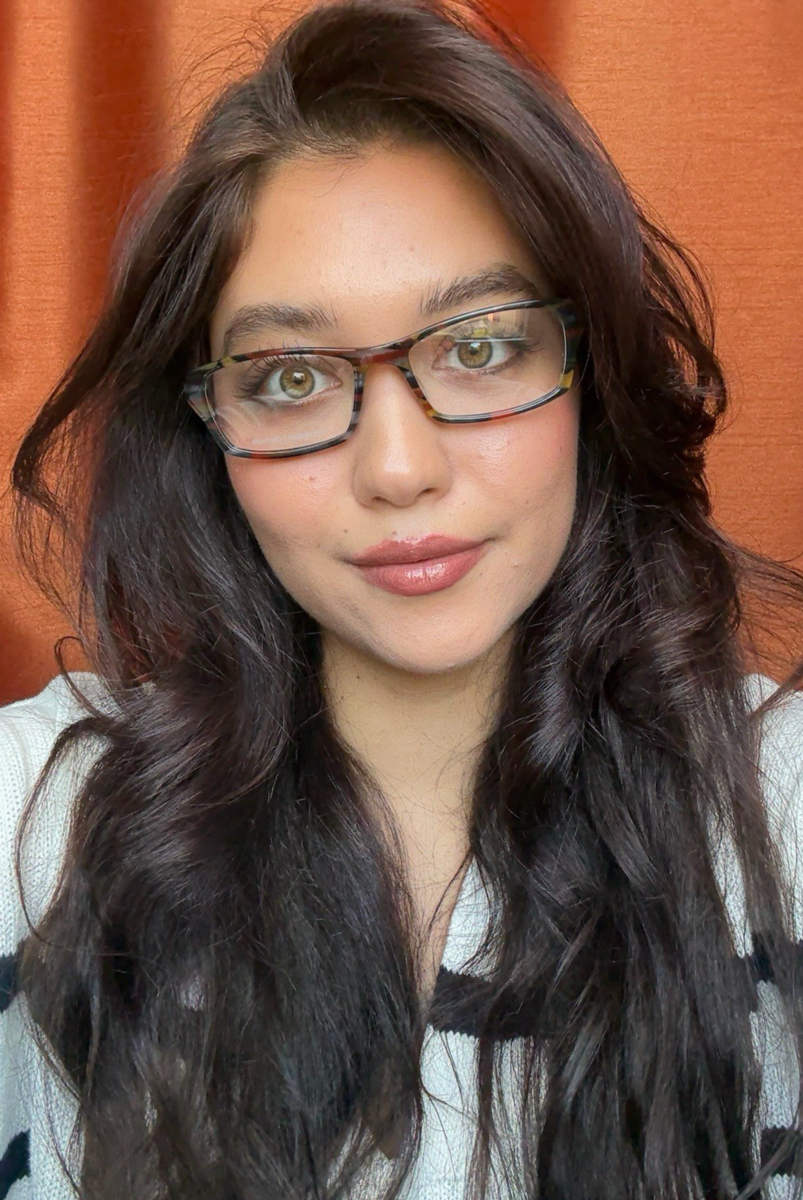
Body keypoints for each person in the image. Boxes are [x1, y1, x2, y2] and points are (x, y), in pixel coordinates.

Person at [1, 0, 802, 1196]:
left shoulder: (777, 799)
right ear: (205, 430)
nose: (396, 468)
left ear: (589, 374)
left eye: (478, 348)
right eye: (289, 377)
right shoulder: (40, 814)